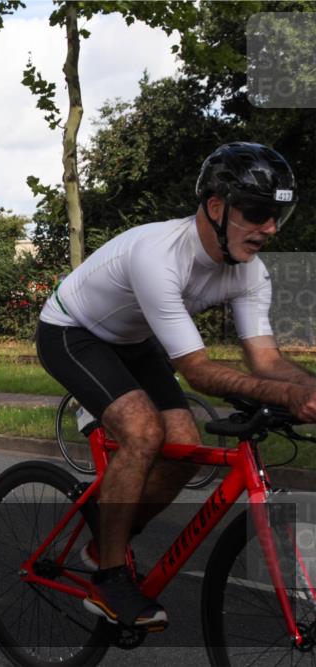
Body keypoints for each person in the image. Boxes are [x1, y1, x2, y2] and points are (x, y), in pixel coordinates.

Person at [36, 142, 316, 631]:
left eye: (277, 216)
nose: (270, 228)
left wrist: (307, 388)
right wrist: (289, 396)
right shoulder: (160, 255)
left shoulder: (250, 272)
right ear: (216, 207)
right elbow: (198, 371)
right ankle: (109, 578)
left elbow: (267, 361)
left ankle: (107, 537)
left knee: (184, 446)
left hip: (134, 338)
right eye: (257, 213)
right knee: (143, 432)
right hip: (72, 331)